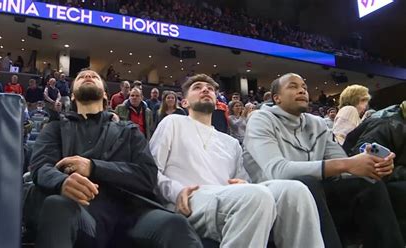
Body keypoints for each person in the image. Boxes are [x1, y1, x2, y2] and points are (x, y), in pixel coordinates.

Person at [30, 69, 202, 248]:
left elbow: (147, 175)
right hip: (81, 212)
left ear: (105, 94)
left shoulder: (129, 130)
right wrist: (61, 182)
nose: (88, 76)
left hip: (132, 214)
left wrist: (93, 167)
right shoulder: (55, 128)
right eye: (81, 77)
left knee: (175, 224)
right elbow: (41, 166)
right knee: (56, 206)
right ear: (72, 96)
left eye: (94, 77)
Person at [151, 74, 324, 248]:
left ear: (218, 102)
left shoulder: (231, 142)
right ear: (184, 102)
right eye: (197, 87)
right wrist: (177, 191)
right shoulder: (172, 122)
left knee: (295, 190)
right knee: (256, 196)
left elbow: (242, 181)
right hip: (190, 199)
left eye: (210, 89)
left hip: (226, 198)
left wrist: (244, 183)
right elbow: (151, 170)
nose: (205, 89)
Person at [243, 73, 404, 248]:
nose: (302, 90)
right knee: (306, 183)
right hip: (274, 197)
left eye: (304, 87)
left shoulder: (317, 123)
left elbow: (343, 164)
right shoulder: (260, 119)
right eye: (293, 86)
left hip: (317, 193)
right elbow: (277, 170)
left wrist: (371, 165)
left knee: (368, 184)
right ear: (277, 98)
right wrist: (348, 164)